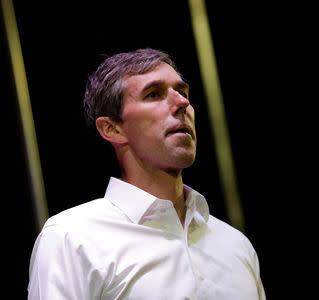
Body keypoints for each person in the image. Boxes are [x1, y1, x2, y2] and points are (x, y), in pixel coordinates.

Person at [27, 48, 266, 299]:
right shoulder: (72, 238)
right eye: (154, 94)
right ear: (112, 129)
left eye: (182, 92)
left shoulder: (235, 245)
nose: (182, 103)